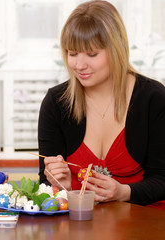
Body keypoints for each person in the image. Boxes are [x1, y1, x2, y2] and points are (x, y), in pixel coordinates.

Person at [38, 0, 165, 209]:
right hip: (81, 225)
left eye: (92, 54)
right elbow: (46, 185)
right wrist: (61, 188)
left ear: (116, 49)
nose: (79, 65)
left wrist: (123, 192)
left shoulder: (153, 98)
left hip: (145, 223)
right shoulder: (56, 102)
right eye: (72, 53)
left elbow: (162, 179)